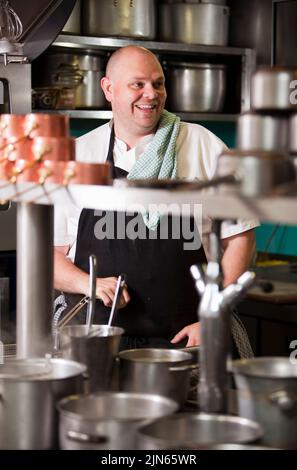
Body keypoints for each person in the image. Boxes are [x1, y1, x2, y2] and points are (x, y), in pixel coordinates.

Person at [54, 46, 258, 351]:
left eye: (158, 83)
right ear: (108, 89)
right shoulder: (79, 155)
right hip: (97, 338)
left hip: (190, 336)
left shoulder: (203, 145)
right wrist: (89, 284)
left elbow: (240, 239)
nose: (151, 94)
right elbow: (53, 255)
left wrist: (214, 315)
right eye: (138, 84)